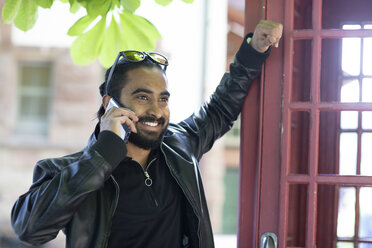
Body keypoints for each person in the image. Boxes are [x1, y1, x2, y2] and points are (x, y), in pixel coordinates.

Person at [11, 20, 283, 248]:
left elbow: (220, 108)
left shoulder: (181, 145)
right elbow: (30, 229)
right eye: (142, 97)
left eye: (162, 99)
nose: (156, 110)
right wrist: (102, 156)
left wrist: (253, 51)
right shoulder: (66, 171)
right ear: (110, 104)